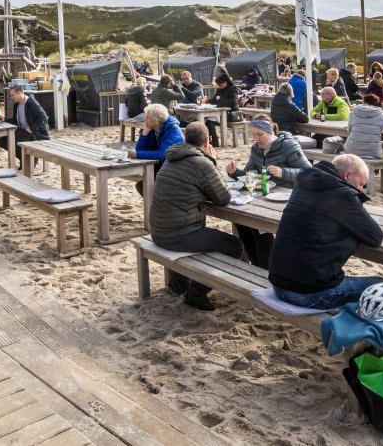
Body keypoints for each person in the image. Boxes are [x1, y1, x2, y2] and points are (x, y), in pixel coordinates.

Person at [268, 154, 383, 309]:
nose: (361, 190)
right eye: (361, 184)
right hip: (307, 293)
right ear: (347, 175)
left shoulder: (303, 184)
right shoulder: (343, 194)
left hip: (278, 284)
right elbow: (375, 237)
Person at [150, 122, 242, 310]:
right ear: (207, 142)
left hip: (158, 230)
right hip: (177, 235)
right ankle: (196, 294)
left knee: (200, 233)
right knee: (234, 246)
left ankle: (178, 284)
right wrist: (212, 161)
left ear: (186, 139)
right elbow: (223, 197)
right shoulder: (201, 162)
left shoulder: (172, 157)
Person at [225, 119, 312, 267]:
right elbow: (249, 174)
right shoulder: (256, 148)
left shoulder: (287, 145)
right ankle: (258, 264)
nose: (257, 139)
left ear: (270, 132)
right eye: (254, 135)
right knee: (242, 222)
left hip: (287, 196)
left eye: (260, 134)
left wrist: (283, 172)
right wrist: (234, 173)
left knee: (259, 226)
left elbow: (310, 172)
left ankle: (266, 266)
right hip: (264, 195)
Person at [127, 103, 185, 190]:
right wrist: (145, 133)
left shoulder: (173, 131)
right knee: (143, 185)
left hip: (175, 170)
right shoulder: (153, 129)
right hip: (162, 167)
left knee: (143, 186)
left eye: (148, 117)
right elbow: (140, 149)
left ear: (157, 120)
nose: (144, 119)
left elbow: (162, 155)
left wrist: (136, 154)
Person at [346, 93, 383, 160]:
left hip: (352, 151)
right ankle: (377, 170)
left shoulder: (353, 113)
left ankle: (373, 170)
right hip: (372, 153)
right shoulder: (380, 115)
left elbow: (349, 131)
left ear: (363, 102)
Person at [0, 83, 50, 151]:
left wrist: (32, 128)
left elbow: (43, 116)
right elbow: (15, 121)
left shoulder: (31, 103)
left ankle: (28, 159)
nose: (11, 98)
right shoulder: (16, 105)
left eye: (12, 95)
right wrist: (4, 119)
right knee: (2, 141)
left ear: (19, 93)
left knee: (15, 141)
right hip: (22, 131)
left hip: (35, 133)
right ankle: (23, 158)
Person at [205, 73, 241, 146]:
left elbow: (233, 103)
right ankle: (210, 139)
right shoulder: (219, 90)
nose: (219, 86)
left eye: (220, 84)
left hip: (231, 113)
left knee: (209, 121)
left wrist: (221, 99)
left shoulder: (233, 90)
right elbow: (214, 100)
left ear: (225, 82)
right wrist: (207, 101)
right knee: (206, 119)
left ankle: (215, 140)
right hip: (220, 113)